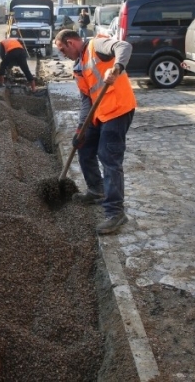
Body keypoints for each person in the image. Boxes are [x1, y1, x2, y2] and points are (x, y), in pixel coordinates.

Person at [53, 28, 136, 235]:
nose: (62, 54)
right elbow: (86, 101)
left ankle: (115, 213)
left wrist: (116, 68)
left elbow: (124, 46)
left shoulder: (96, 46)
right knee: (85, 148)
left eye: (62, 49)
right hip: (98, 113)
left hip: (117, 109)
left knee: (109, 157)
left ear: (71, 42)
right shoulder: (78, 67)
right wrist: (81, 129)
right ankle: (96, 190)